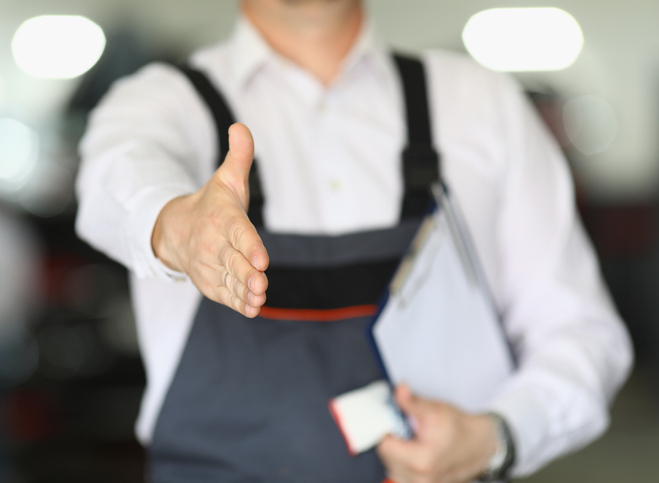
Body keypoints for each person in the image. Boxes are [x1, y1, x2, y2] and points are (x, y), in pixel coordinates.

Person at [75, 0, 633, 481]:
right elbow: (115, 176)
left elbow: (582, 333)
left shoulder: (484, 105)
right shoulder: (158, 102)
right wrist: (178, 226)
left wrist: (497, 436)